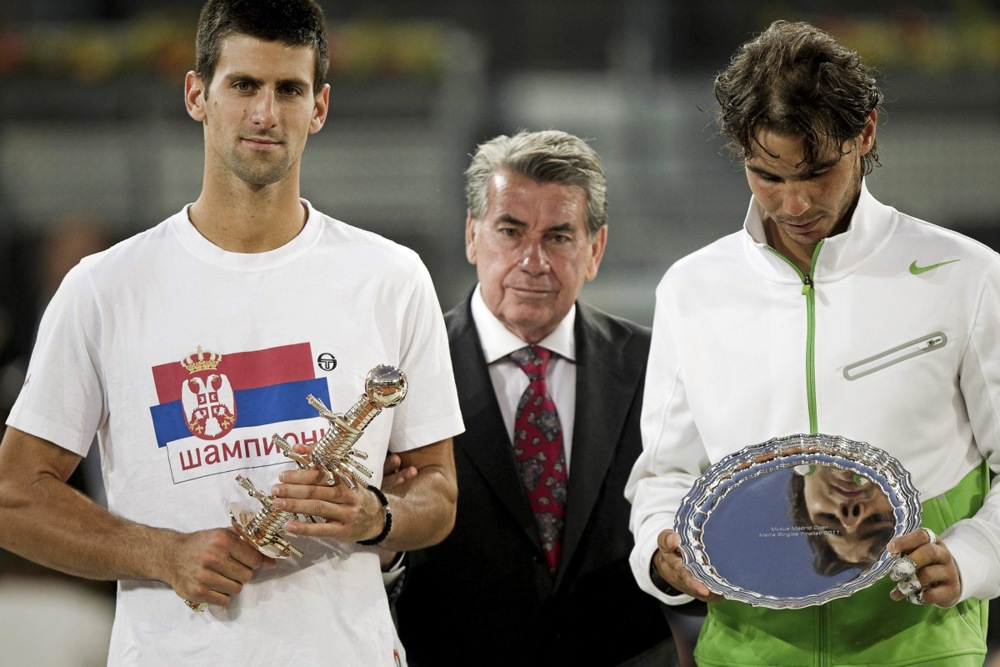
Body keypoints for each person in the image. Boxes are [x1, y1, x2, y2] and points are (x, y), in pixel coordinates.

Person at [0, 1, 464, 664]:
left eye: (289, 89)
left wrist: (375, 515)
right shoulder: (104, 289)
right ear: (198, 94)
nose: (265, 114)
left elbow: (439, 493)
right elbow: (14, 495)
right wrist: (164, 553)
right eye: (244, 85)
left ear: (321, 106)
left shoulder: (391, 279)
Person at [626, 19, 1000, 666]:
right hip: (745, 652)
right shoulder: (691, 288)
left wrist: (971, 558)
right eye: (766, 176)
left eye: (818, 171)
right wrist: (660, 551)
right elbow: (665, 474)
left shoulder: (966, 275)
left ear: (868, 132)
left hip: (921, 647)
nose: (794, 202)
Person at [391, 129, 685, 666]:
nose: (533, 261)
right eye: (511, 231)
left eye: (558, 237)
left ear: (594, 250)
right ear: (472, 237)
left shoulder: (656, 363)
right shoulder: (404, 373)